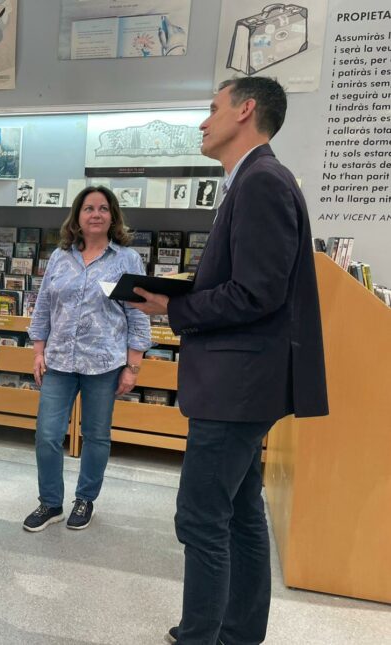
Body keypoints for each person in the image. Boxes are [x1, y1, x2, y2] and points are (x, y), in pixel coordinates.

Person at [131, 77, 328, 645]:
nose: (202, 121)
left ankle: (203, 637)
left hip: (237, 386)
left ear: (245, 111)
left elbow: (256, 292)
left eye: (212, 108)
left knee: (200, 518)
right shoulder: (256, 181)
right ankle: (237, 633)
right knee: (241, 511)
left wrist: (177, 303)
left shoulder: (261, 182)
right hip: (243, 383)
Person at [23, 186, 151, 532]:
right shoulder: (60, 257)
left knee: (96, 436)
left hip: (104, 364)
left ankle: (85, 499)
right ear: (77, 216)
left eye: (103, 208)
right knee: (47, 434)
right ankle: (50, 503)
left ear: (113, 216)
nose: (96, 214)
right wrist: (38, 351)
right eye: (89, 208)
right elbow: (44, 306)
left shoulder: (127, 260)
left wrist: (133, 367)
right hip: (59, 362)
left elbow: (138, 315)